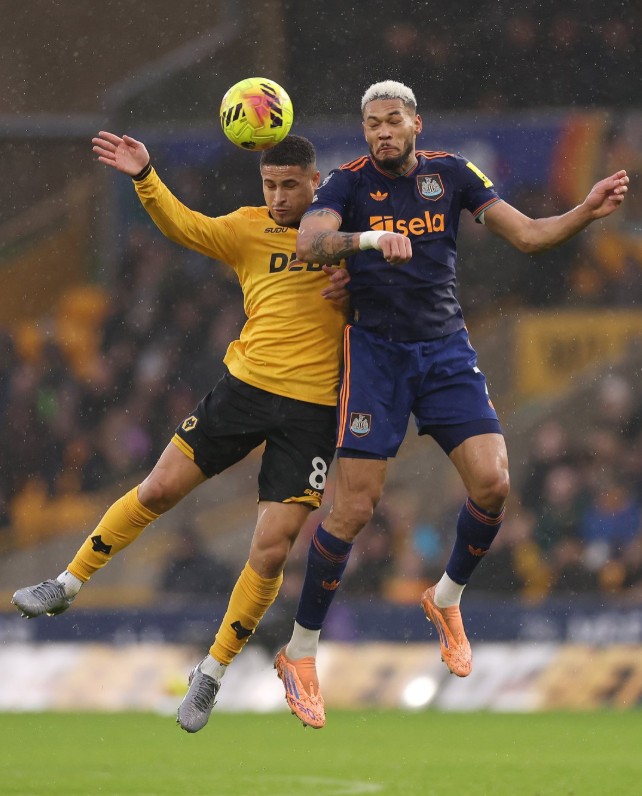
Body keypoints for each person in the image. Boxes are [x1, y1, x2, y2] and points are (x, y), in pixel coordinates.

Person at [273, 79, 629, 726]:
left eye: (392, 120)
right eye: (372, 123)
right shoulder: (346, 185)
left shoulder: (453, 175)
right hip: (376, 354)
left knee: (494, 483)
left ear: (416, 124)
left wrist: (584, 211)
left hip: (443, 352)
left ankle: (447, 598)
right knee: (353, 509)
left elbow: (526, 235)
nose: (381, 131)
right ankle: (300, 651)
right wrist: (369, 242)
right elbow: (309, 244)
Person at [11, 131, 349, 733]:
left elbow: (394, 289)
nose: (277, 196)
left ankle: (211, 674)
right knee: (158, 489)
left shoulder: (344, 235)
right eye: (269, 184)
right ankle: (66, 583)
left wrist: (361, 287)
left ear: (314, 181)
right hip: (243, 390)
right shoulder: (248, 227)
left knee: (270, 551)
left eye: (289, 185)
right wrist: (146, 177)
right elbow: (184, 226)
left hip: (312, 412)